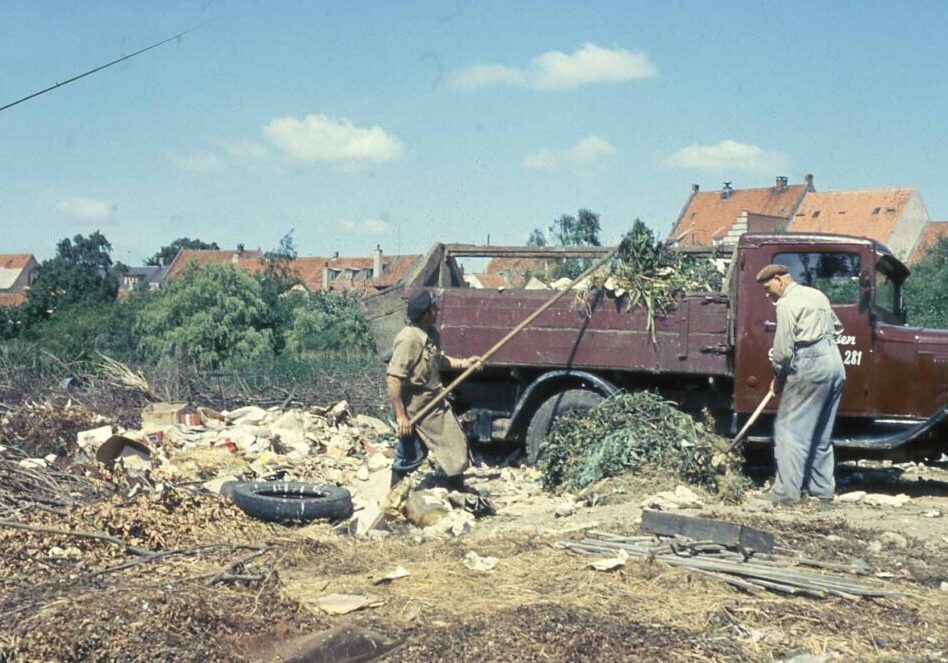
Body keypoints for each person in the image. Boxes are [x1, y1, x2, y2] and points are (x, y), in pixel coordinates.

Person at [755, 263, 846, 505]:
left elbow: (784, 352)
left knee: (789, 430)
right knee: (820, 432)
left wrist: (778, 376)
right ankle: (823, 491)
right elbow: (837, 327)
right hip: (834, 362)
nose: (767, 294)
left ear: (779, 280)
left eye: (768, 287)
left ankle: (785, 493)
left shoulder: (786, 303)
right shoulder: (816, 294)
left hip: (811, 363)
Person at [386, 288, 480, 493]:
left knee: (455, 444)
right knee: (411, 453)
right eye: (434, 308)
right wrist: (401, 417)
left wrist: (465, 363)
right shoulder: (409, 339)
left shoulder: (430, 334)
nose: (437, 311)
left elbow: (440, 361)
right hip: (416, 408)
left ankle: (457, 491)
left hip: (434, 402)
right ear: (425, 313)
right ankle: (393, 496)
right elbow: (393, 379)